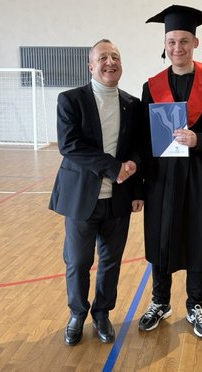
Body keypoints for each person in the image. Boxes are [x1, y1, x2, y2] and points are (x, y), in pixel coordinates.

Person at [138, 5, 202, 339]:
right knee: (162, 238)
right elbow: (142, 138)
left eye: (184, 41)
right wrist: (140, 186)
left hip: (201, 176)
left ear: (195, 43)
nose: (177, 48)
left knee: (198, 237)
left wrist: (201, 140)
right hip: (163, 179)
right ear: (164, 44)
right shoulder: (152, 87)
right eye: (171, 42)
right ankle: (160, 301)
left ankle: (196, 304)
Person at [49, 39, 144, 346]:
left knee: (111, 261)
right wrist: (113, 168)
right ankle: (77, 314)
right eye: (103, 57)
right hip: (82, 199)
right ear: (91, 66)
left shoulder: (133, 104)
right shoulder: (70, 100)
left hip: (118, 200)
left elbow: (139, 147)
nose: (110, 62)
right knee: (77, 262)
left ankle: (102, 314)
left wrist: (134, 176)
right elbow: (70, 145)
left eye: (115, 56)